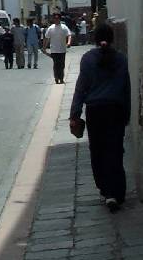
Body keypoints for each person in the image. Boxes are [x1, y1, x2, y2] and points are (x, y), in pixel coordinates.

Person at [69, 23, 131, 212]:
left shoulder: (87, 59)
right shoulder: (120, 59)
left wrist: (74, 114)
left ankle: (106, 190)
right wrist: (127, 114)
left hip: (95, 111)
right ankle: (116, 192)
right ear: (112, 39)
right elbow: (125, 88)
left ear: (95, 39)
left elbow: (81, 87)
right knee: (115, 150)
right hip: (115, 110)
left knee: (98, 151)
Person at [44, 12, 72, 84]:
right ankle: (56, 78)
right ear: (53, 19)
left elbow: (69, 35)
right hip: (54, 49)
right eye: (55, 18)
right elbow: (47, 38)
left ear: (60, 19)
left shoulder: (64, 27)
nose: (56, 20)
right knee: (56, 65)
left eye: (57, 18)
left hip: (62, 49)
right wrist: (44, 47)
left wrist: (68, 42)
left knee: (62, 65)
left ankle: (61, 78)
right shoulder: (50, 28)